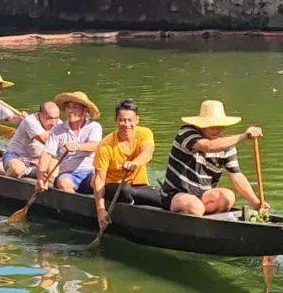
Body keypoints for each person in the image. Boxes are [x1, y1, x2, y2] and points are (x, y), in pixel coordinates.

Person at [160, 100, 267, 216]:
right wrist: (244, 136)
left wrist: (256, 203)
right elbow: (208, 146)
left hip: (204, 196)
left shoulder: (227, 146)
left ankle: (211, 223)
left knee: (228, 197)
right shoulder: (186, 132)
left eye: (220, 125)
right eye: (212, 125)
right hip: (176, 194)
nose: (217, 129)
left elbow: (237, 176)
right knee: (195, 207)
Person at [92, 99, 160, 229]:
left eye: (130, 120)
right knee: (126, 190)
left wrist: (135, 163)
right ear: (116, 120)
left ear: (137, 120)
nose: (126, 124)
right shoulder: (105, 145)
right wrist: (100, 210)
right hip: (114, 187)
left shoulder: (145, 133)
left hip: (139, 186)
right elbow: (99, 180)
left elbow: (147, 153)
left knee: (161, 198)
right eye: (122, 120)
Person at [36, 91, 102, 194]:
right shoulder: (57, 129)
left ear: (84, 111)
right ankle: (76, 207)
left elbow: (95, 145)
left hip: (90, 172)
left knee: (99, 180)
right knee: (64, 183)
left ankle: (100, 207)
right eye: (69, 107)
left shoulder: (94, 126)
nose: (70, 111)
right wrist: (40, 177)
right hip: (68, 174)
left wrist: (77, 146)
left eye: (75, 107)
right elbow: (47, 154)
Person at [3, 101, 60, 178]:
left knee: (55, 166)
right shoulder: (30, 120)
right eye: (49, 118)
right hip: (17, 157)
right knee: (17, 170)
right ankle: (4, 184)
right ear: (40, 115)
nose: (53, 123)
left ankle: (50, 185)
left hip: (38, 161)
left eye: (56, 118)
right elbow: (46, 140)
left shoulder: (59, 124)